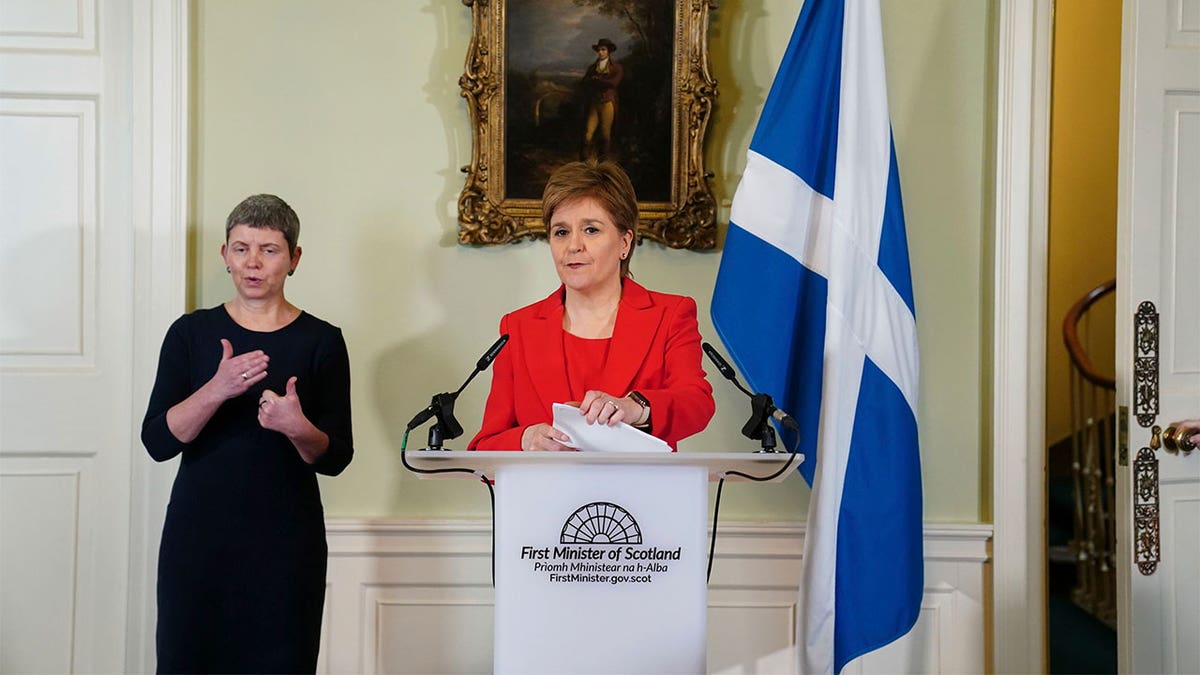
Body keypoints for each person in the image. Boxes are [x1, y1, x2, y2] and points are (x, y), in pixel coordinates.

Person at [141, 194, 353, 673]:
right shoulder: (190, 333)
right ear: (224, 255)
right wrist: (215, 389)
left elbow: (337, 456)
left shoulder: (322, 340)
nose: (252, 263)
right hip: (198, 540)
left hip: (286, 545)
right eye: (241, 248)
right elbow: (157, 441)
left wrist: (298, 429)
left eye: (269, 250)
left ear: (294, 258)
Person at [469, 160, 715, 452]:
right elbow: (486, 446)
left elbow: (697, 403)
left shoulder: (671, 315)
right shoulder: (517, 328)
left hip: (640, 493)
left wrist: (635, 408)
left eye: (591, 230)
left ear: (625, 242)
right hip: (544, 494)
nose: (573, 245)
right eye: (561, 232)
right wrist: (525, 440)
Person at [580, 38, 623, 161]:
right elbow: (585, 81)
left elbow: (613, 83)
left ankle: (602, 164)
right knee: (588, 134)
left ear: (608, 51)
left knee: (605, 135)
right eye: (599, 50)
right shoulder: (593, 67)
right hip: (594, 103)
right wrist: (593, 81)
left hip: (607, 103)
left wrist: (597, 81)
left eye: (603, 49)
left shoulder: (616, 67)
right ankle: (584, 163)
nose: (600, 52)